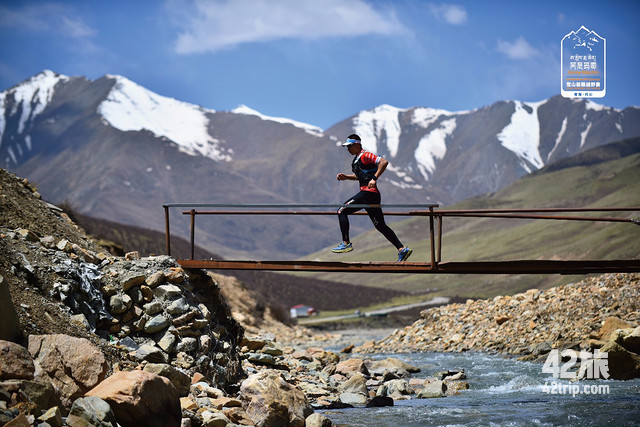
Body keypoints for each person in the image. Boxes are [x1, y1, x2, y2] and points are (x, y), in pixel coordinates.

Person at [332, 134, 413, 262]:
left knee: (341, 210)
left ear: (357, 144)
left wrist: (375, 179)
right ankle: (402, 249)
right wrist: (346, 177)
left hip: (368, 193)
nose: (348, 149)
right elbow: (362, 176)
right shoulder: (357, 159)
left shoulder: (365, 155)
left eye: (349, 146)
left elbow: (384, 162)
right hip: (371, 195)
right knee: (380, 225)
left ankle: (346, 243)